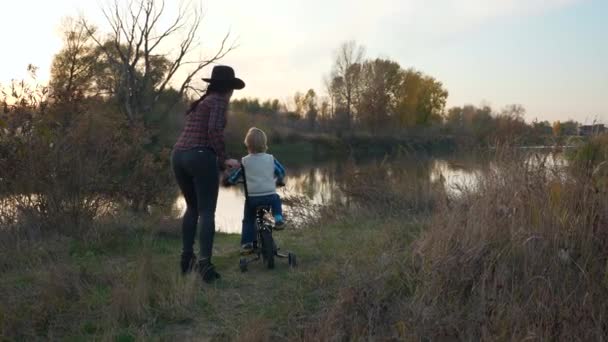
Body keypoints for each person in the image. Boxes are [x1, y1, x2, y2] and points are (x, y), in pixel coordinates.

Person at [172, 65, 244, 283]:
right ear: (228, 88)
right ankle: (205, 266)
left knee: (192, 207)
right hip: (200, 156)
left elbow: (202, 131)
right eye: (232, 89)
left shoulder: (203, 102)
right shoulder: (219, 101)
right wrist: (224, 160)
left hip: (178, 156)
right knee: (206, 212)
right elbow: (213, 130)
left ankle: (187, 260)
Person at [224, 127, 286, 254]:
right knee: (276, 199)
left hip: (253, 199)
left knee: (248, 219)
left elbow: (236, 177)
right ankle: (278, 219)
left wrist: (229, 182)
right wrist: (279, 180)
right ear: (264, 143)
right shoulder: (270, 159)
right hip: (269, 196)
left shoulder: (245, 161)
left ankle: (247, 244)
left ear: (248, 144)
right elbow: (281, 171)